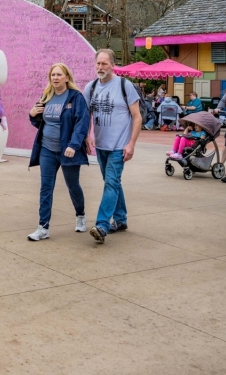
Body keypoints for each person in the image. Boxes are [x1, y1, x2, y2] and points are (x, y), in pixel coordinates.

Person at [27, 63, 91, 241]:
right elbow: (39, 121)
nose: (55, 78)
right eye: (53, 75)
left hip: (68, 150)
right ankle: (43, 228)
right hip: (47, 149)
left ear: (67, 77)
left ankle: (80, 215)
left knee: (73, 186)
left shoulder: (75, 97)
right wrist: (32, 114)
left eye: (59, 75)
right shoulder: (47, 96)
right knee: (46, 188)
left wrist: (73, 145)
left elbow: (82, 123)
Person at [85, 49, 141, 244]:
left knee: (110, 182)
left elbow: (137, 117)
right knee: (113, 182)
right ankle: (121, 219)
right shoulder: (90, 88)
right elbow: (86, 116)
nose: (100, 67)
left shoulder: (125, 86)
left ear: (113, 65)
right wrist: (87, 135)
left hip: (119, 146)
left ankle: (102, 224)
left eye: (104, 64)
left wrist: (131, 144)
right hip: (101, 145)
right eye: (98, 64)